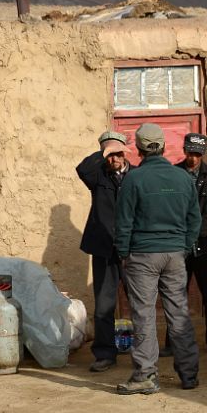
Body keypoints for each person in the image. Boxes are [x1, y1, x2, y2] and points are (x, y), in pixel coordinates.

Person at [114, 123, 202, 394]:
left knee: (144, 315)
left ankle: (146, 375)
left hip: (143, 256)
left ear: (138, 150)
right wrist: (184, 246)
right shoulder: (183, 179)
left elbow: (124, 222)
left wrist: (123, 252)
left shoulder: (134, 179)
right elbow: (194, 219)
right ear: (163, 147)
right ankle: (188, 374)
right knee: (179, 313)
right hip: (175, 255)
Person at [76, 130, 134, 373]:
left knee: (140, 301)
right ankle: (104, 353)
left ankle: (143, 351)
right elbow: (82, 169)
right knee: (104, 305)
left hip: (132, 250)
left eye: (118, 154)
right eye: (110, 155)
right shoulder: (98, 174)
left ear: (126, 154)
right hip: (104, 249)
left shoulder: (137, 175)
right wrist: (103, 151)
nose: (114, 160)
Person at [163, 132, 207, 356]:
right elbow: (169, 209)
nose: (194, 158)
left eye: (198, 154)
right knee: (175, 295)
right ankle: (172, 343)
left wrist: (193, 236)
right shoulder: (173, 174)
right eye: (190, 153)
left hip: (204, 247)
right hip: (179, 248)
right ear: (185, 151)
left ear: (203, 154)